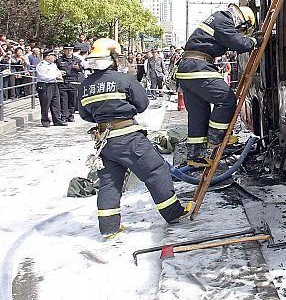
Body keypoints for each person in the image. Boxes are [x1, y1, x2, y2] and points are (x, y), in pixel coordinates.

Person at [78, 38, 188, 239]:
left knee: (110, 183)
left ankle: (109, 228)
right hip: (129, 138)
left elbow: (85, 115)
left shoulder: (85, 86)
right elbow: (142, 103)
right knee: (156, 171)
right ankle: (173, 214)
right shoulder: (123, 80)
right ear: (112, 58)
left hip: (106, 143)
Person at [176, 5, 259, 167]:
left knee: (199, 113)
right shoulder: (224, 19)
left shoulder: (218, 19)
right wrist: (254, 41)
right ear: (243, 21)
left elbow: (228, 41)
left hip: (187, 68)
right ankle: (217, 138)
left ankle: (196, 156)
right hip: (198, 66)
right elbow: (236, 41)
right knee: (227, 99)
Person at [56, 45, 85, 122]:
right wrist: (59, 73)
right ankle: (64, 116)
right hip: (63, 82)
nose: (69, 52)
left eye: (70, 50)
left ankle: (70, 114)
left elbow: (82, 70)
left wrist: (78, 68)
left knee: (72, 99)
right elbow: (55, 69)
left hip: (73, 82)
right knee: (63, 100)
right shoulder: (59, 60)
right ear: (64, 51)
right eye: (67, 50)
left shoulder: (77, 59)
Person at [36, 50, 65, 127]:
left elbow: (57, 72)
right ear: (48, 56)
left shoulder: (53, 65)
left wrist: (60, 74)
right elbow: (43, 77)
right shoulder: (41, 65)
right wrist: (55, 77)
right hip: (45, 85)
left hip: (54, 84)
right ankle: (45, 120)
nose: (54, 57)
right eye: (53, 56)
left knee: (56, 103)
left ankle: (57, 120)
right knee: (45, 104)